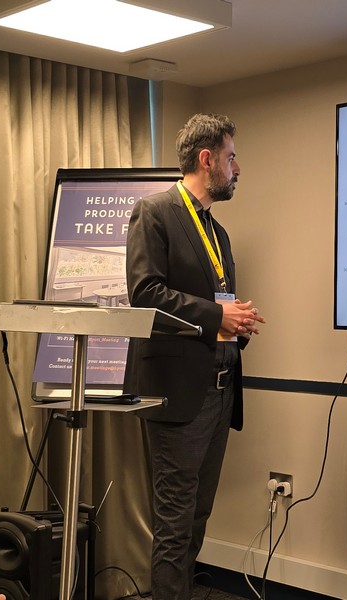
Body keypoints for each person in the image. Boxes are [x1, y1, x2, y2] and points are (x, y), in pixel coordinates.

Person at [123, 113, 265, 600]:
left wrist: (236, 323)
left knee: (198, 518)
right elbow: (145, 294)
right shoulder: (154, 213)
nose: (237, 168)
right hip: (179, 398)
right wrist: (217, 315)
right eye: (231, 157)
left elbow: (215, 303)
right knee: (174, 524)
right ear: (207, 160)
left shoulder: (218, 233)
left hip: (220, 393)